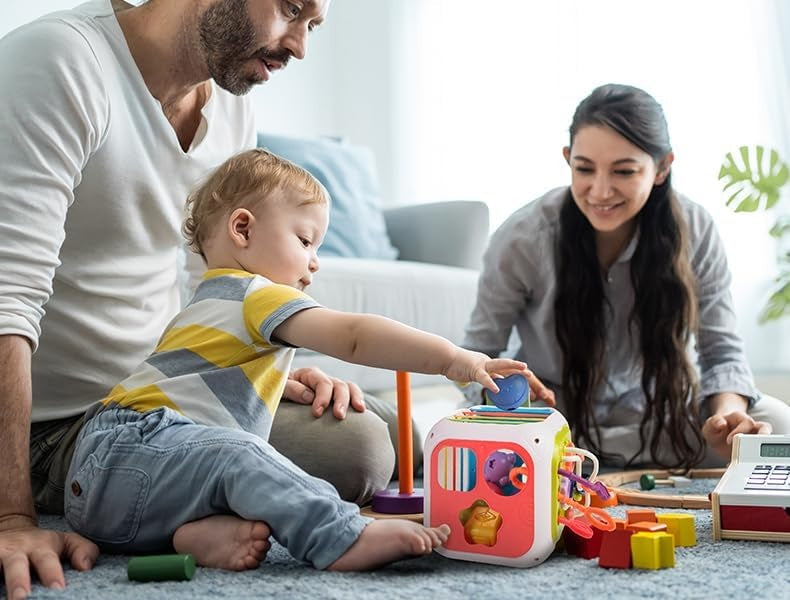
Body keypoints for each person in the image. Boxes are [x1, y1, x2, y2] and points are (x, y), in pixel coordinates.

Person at [0, 0, 399, 596]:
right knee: (358, 451)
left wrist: (251, 365)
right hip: (63, 428)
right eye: (292, 10)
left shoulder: (232, 108)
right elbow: (8, 296)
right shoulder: (62, 60)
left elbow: (216, 286)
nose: (300, 48)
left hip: (169, 390)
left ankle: (185, 516)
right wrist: (11, 519)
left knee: (390, 426)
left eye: (313, 25)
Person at [63, 147, 551, 571]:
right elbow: (355, 337)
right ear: (242, 228)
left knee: (233, 459)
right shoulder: (255, 294)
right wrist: (452, 359)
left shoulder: (206, 301)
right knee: (247, 454)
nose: (315, 261)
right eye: (304, 240)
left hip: (115, 483)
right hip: (130, 448)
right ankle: (339, 535)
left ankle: (192, 534)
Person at [462, 83, 790, 471]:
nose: (600, 191)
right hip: (552, 420)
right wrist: (507, 395)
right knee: (470, 442)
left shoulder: (696, 228)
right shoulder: (522, 236)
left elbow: (722, 352)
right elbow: (476, 355)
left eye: (624, 171)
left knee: (778, 423)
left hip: (658, 414)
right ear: (567, 159)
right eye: (584, 168)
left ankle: (584, 460)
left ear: (662, 167)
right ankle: (570, 456)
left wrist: (729, 418)